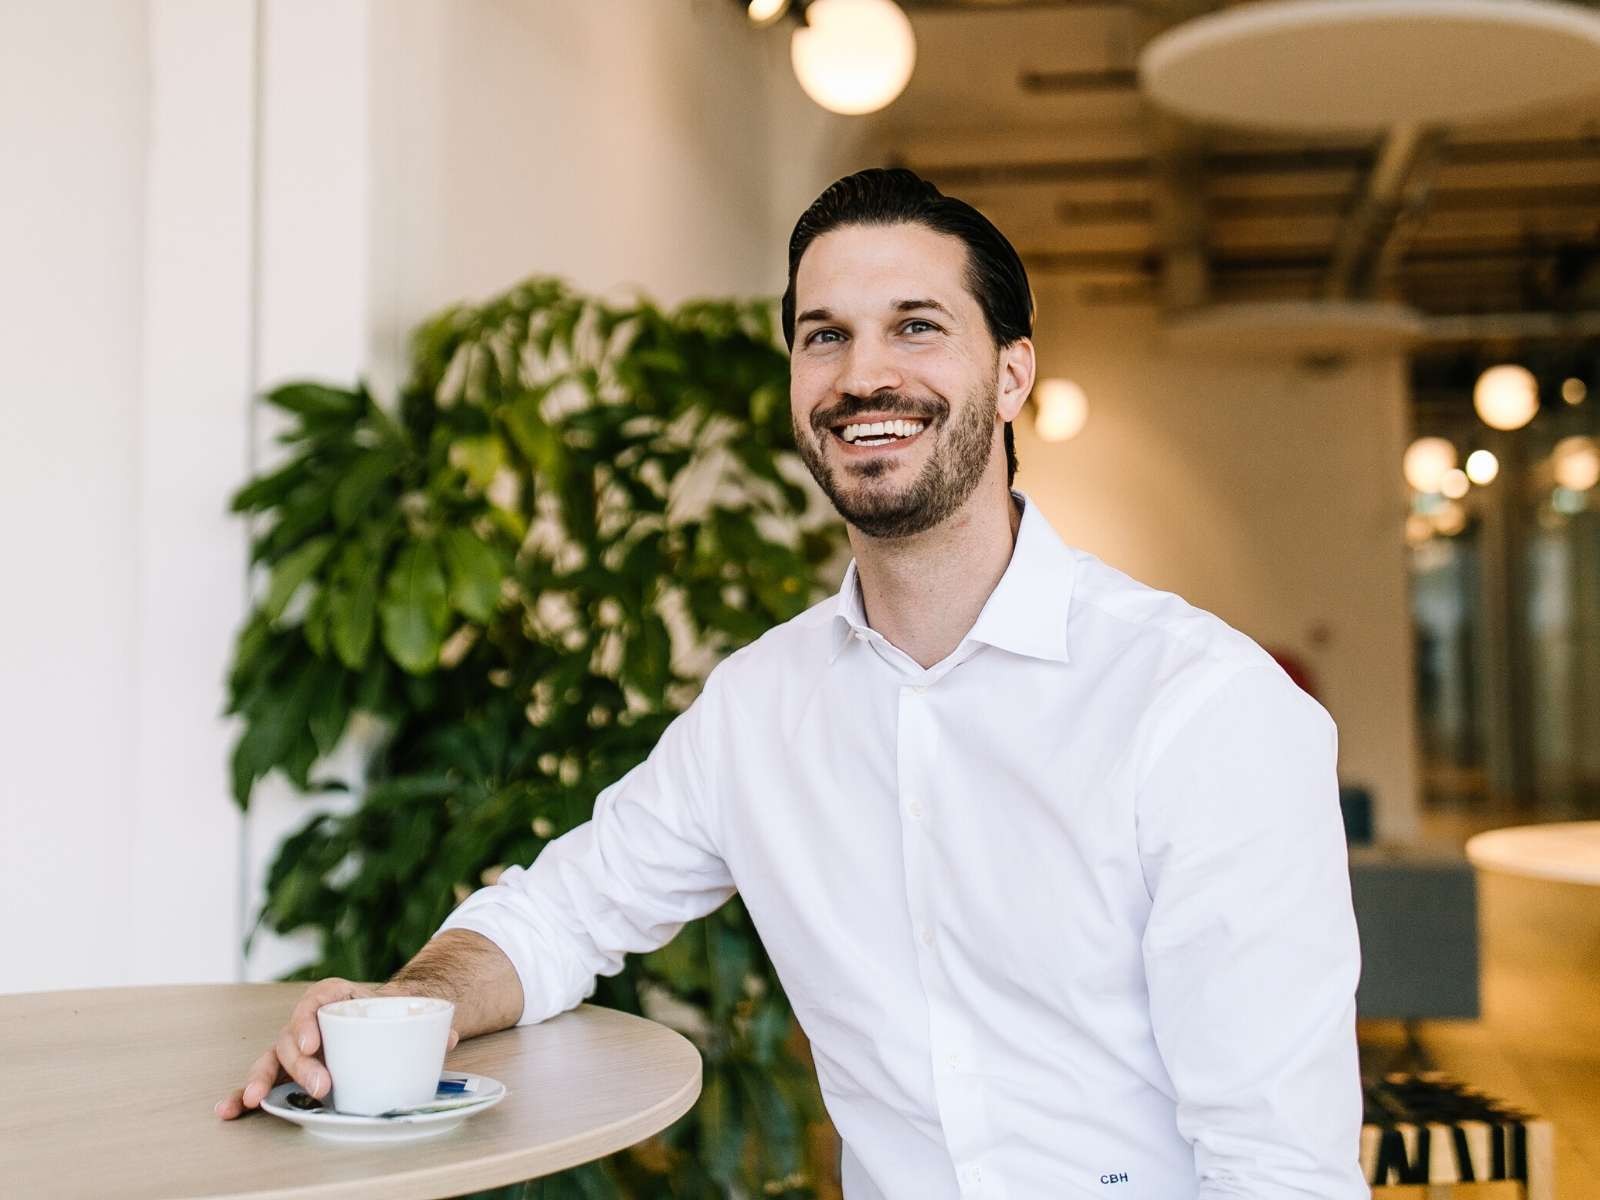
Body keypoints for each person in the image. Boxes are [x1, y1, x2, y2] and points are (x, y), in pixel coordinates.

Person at [218, 168, 1365, 1199]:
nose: (864, 375)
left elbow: (1278, 1170)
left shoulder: (1202, 708)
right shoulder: (759, 707)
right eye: (825, 337)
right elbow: (561, 911)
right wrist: (409, 1004)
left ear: (1011, 373)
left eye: (915, 326)